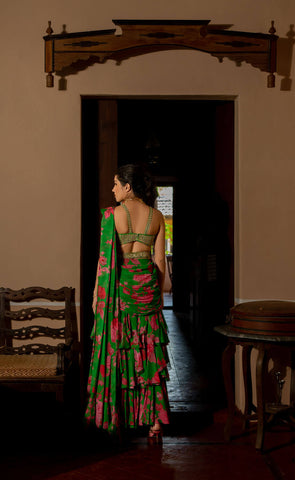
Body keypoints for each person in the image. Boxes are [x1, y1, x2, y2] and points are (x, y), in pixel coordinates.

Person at [85, 163, 170, 443]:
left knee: (119, 354)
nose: (112, 189)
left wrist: (99, 298)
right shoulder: (156, 216)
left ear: (127, 186)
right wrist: (155, 297)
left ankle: (117, 416)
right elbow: (159, 263)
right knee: (148, 355)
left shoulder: (112, 216)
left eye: (115, 184)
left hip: (119, 296)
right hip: (147, 295)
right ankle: (155, 422)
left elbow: (105, 263)